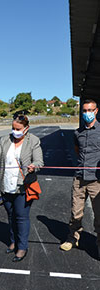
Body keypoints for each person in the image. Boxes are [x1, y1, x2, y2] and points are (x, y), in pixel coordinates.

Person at [0, 113, 43, 262]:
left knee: (21, 217)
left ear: (26, 128)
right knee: (11, 216)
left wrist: (33, 166)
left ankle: (22, 247)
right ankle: (13, 241)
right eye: (13, 128)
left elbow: (39, 161)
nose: (15, 131)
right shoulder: (5, 140)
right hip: (6, 185)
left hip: (23, 186)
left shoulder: (33, 141)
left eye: (18, 128)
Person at [60, 99, 100, 259]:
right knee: (75, 212)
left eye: (90, 110)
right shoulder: (78, 133)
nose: (87, 114)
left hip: (97, 180)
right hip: (79, 178)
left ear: (96, 111)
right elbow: (78, 151)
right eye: (84, 111)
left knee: (99, 215)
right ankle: (73, 238)